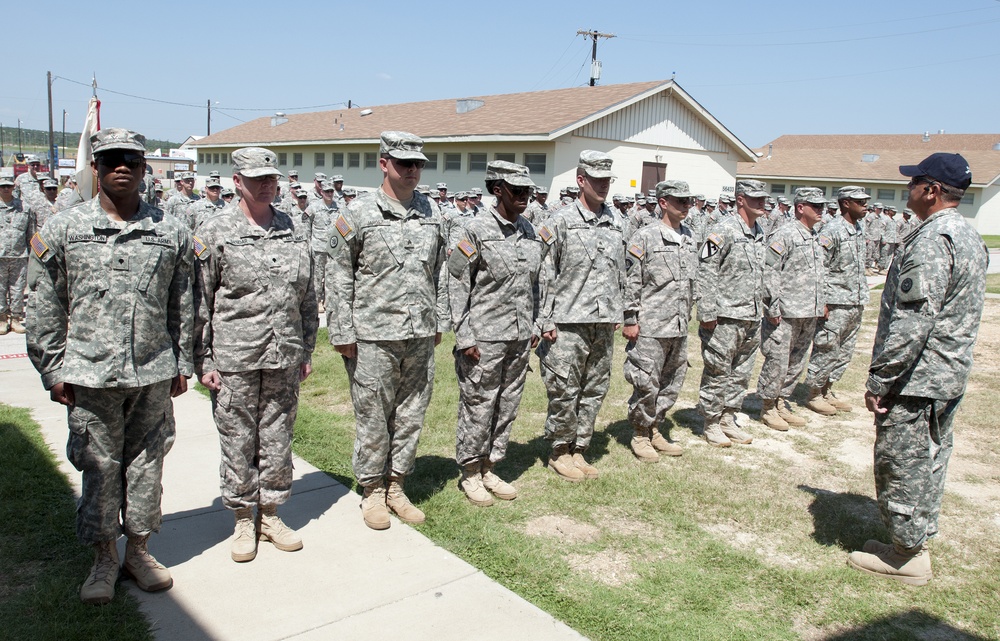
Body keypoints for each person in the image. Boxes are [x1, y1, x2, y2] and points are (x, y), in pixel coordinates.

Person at [26, 128, 193, 604]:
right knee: (99, 467)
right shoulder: (63, 229)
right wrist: (53, 369)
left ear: (144, 170)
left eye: (132, 161)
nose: (122, 167)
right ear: (95, 168)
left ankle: (138, 551)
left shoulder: (170, 231)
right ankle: (103, 558)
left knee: (146, 464)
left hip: (152, 372)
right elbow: (43, 302)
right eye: (111, 159)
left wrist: (183, 360)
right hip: (88, 374)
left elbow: (183, 302)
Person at [847, 153, 988, 586]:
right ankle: (913, 539)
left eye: (914, 183)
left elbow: (913, 322)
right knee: (929, 459)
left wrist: (881, 379)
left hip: (919, 377)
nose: (907, 190)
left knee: (901, 462)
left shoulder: (932, 239)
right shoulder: (966, 235)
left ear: (931, 190)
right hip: (945, 374)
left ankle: (907, 556)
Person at [193, 147, 317, 562]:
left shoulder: (293, 228)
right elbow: (200, 300)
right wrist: (205, 361)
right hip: (235, 357)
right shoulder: (214, 231)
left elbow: (307, 297)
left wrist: (306, 349)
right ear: (237, 182)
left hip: (283, 354)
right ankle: (243, 518)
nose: (267, 184)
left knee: (278, 438)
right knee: (238, 440)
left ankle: (271, 513)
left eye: (271, 177)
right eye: (257, 178)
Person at [326, 131, 450, 530]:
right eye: (403, 163)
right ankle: (372, 489)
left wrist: (438, 320)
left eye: (417, 164)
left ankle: (397, 484)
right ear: (384, 163)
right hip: (373, 334)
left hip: (419, 333)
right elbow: (339, 272)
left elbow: (441, 271)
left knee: (412, 413)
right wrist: (342, 330)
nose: (412, 171)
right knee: (374, 416)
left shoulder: (432, 212)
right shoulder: (358, 214)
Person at [448, 161, 544, 505]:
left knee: (507, 405)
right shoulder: (474, 229)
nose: (524, 197)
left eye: (528, 191)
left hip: (518, 336)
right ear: (497, 189)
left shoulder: (530, 231)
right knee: (479, 404)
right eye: (517, 191)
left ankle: (491, 464)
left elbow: (536, 284)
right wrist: (465, 336)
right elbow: (457, 284)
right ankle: (471, 471)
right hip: (484, 337)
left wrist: (535, 322)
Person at [536, 150, 626, 481]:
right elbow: (543, 272)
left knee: (595, 387)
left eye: (607, 180)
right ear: (581, 181)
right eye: (597, 180)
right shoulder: (559, 221)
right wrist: (544, 319)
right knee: (564, 387)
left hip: (603, 321)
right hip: (567, 321)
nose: (603, 186)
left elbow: (622, 271)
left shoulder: (617, 221)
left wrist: (621, 309)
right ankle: (560, 450)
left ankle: (579, 448)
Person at [622, 180, 697, 462]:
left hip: (678, 324)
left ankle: (655, 428)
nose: (686, 206)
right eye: (680, 201)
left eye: (688, 201)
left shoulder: (689, 236)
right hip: (651, 324)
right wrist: (630, 318)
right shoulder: (645, 237)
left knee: (672, 381)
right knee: (646, 382)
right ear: (663, 202)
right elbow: (632, 281)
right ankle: (640, 433)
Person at [696, 180, 767, 447]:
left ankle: (728, 417)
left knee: (741, 372)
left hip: (751, 314)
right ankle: (711, 422)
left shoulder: (760, 231)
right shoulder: (722, 231)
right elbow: (706, 269)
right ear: (740, 200)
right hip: (725, 316)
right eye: (755, 198)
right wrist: (707, 310)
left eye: (763, 198)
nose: (762, 203)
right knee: (718, 370)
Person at [757, 187, 827, 431]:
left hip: (808, 310)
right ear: (800, 208)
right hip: (786, 312)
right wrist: (772, 306)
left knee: (797, 360)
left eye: (822, 206)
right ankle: (767, 406)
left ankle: (782, 401)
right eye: (815, 206)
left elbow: (819, 273)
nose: (820, 210)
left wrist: (822, 302)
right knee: (778, 360)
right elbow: (770, 271)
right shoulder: (784, 234)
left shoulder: (814, 235)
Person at [803, 186, 871, 414]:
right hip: (835, 301)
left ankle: (827, 388)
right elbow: (820, 268)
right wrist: (821, 300)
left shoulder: (859, 229)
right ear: (845, 204)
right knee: (827, 346)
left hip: (855, 300)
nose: (865, 205)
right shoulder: (831, 231)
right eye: (860, 202)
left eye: (865, 201)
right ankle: (813, 392)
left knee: (845, 350)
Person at [0, 175, 30, 335]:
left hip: (19, 256)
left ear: (13, 187)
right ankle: (2, 319)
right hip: (0, 257)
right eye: (2, 186)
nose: (5, 189)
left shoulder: (25, 208)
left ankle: (16, 319)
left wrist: (35, 256)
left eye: (8, 186)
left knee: (18, 289)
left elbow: (31, 234)